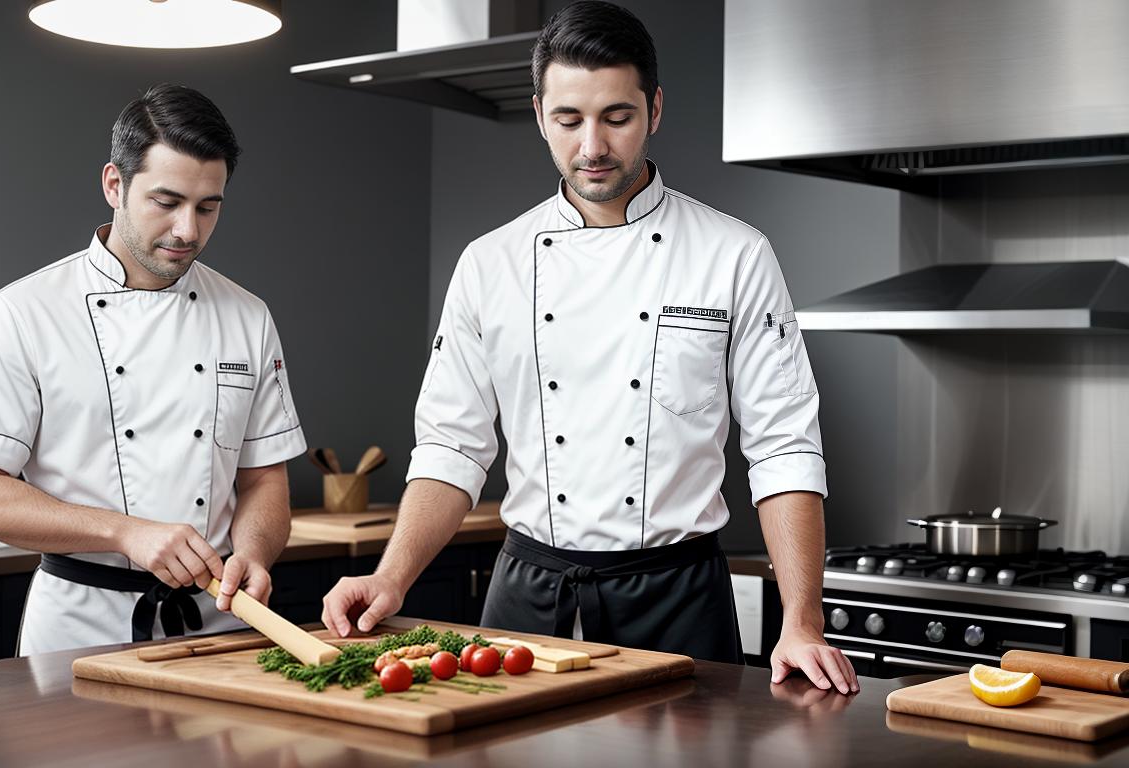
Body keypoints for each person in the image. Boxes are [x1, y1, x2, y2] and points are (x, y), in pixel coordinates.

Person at [321, 1, 858, 695]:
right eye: (569, 120)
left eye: (617, 117)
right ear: (541, 112)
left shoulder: (735, 254)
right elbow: (452, 446)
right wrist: (390, 578)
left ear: (654, 108)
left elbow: (783, 445)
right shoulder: (492, 263)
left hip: (678, 598)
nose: (593, 147)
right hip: (526, 603)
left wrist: (803, 620)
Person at [0, 84, 306, 654]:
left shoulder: (247, 315)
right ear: (114, 185)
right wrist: (124, 532)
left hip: (221, 627)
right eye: (166, 201)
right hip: (79, 629)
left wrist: (254, 553)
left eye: (208, 207)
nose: (188, 230)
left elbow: (263, 479)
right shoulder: (25, 312)